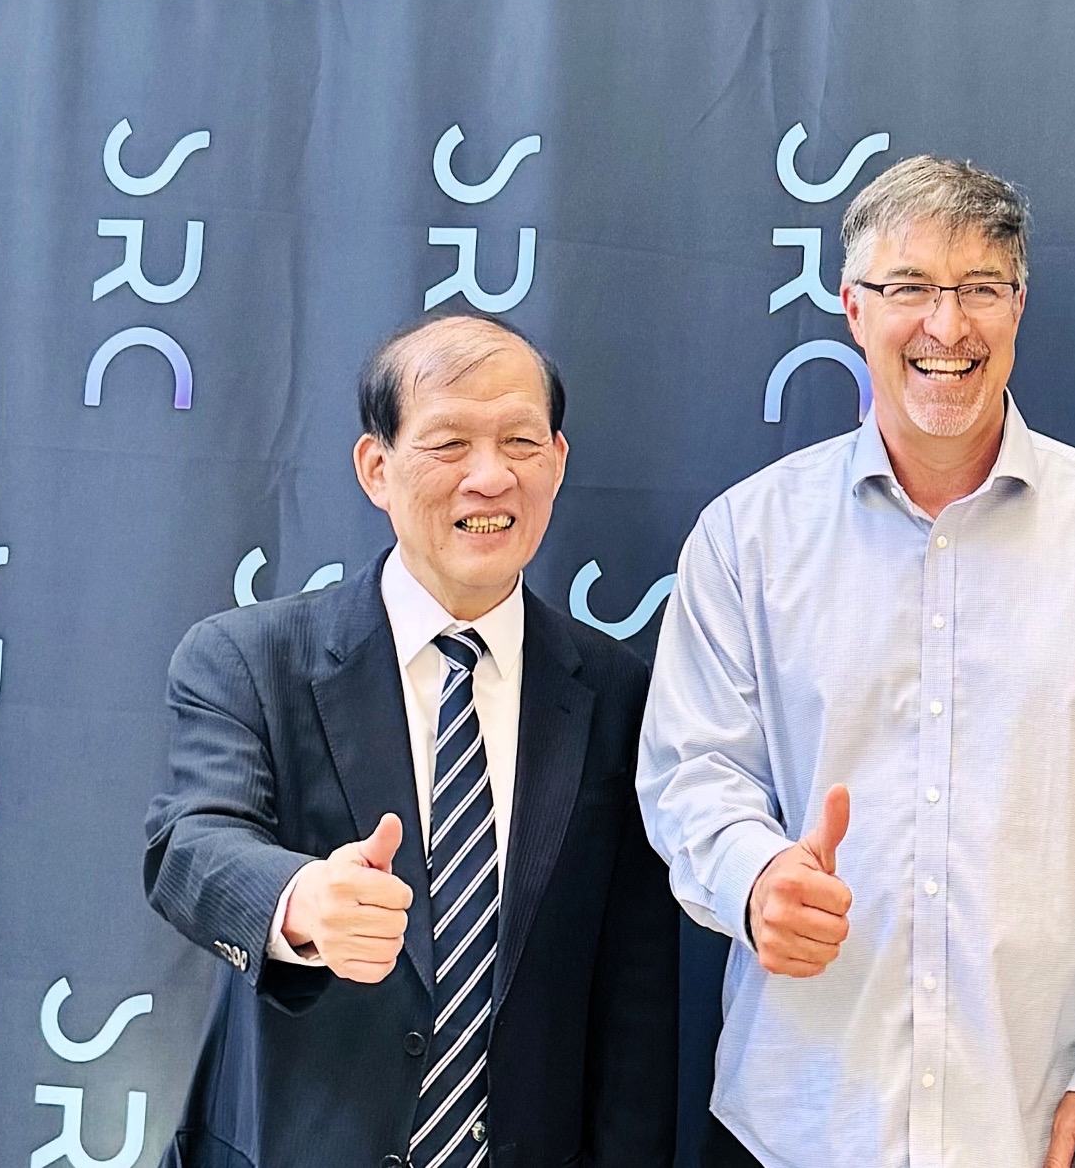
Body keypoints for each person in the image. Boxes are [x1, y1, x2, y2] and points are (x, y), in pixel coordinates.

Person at [637, 156, 1075, 1168]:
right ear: (852, 307)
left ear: (1018, 306)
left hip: (1049, 1127)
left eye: (979, 288)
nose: (946, 326)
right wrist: (756, 875)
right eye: (909, 287)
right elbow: (693, 773)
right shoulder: (746, 536)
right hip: (798, 1126)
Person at [145, 312, 677, 1168]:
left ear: (557, 461)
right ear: (376, 468)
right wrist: (302, 902)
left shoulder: (618, 693)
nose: (490, 477)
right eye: (448, 444)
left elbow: (635, 992)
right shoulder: (249, 659)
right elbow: (191, 843)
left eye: (520, 442)